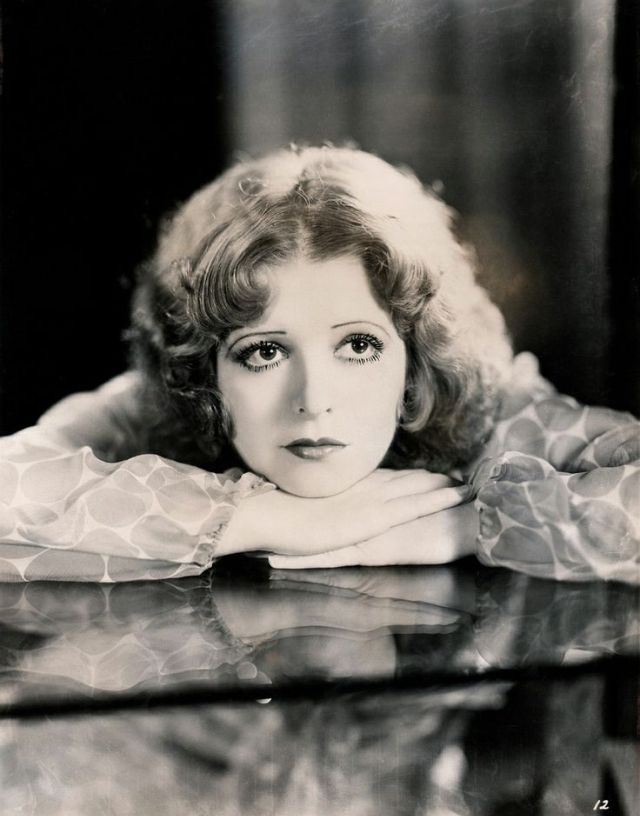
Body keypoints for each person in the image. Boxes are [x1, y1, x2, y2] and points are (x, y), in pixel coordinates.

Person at [0, 146, 638, 583]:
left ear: (415, 359)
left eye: (358, 345)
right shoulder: (150, 409)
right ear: (203, 374)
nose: (313, 400)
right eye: (265, 351)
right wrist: (260, 518)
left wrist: (465, 529)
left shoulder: (494, 417)